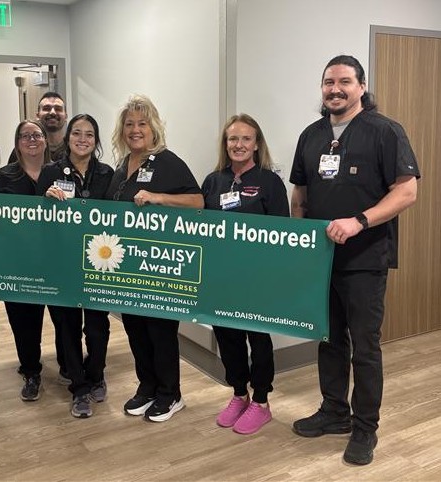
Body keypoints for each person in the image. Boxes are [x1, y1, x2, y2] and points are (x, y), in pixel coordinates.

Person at [289, 55, 420, 465]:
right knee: (329, 341)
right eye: (329, 81)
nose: (335, 89)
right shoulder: (311, 135)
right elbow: (300, 197)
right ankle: (334, 412)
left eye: (345, 81)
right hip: (322, 261)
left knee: (365, 348)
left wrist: (359, 221)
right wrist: (301, 241)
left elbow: (406, 191)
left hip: (365, 260)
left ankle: (365, 428)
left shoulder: (384, 131)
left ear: (361, 86)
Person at [105, 94, 204, 422]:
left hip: (158, 267)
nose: (136, 129)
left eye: (142, 123)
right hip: (127, 266)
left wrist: (159, 197)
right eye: (130, 124)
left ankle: (170, 394)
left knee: (160, 331)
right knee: (135, 329)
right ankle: (147, 387)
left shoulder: (166, 161)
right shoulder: (121, 167)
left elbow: (198, 201)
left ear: (154, 128)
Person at [202, 114, 289, 434]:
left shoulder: (269, 182)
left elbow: (282, 234)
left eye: (246, 139)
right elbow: (200, 227)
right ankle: (239, 393)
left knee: (258, 338)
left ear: (256, 144)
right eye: (232, 139)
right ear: (225, 144)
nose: (238, 145)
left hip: (257, 280)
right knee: (228, 338)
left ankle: (262, 401)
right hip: (222, 278)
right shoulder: (213, 181)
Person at [36, 114, 114, 418]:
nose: (83, 139)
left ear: (96, 141)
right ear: (68, 137)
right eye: (77, 133)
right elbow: (38, 221)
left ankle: (96, 374)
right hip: (61, 263)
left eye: (90, 134)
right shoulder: (50, 173)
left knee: (97, 327)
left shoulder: (108, 174)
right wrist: (45, 200)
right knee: (66, 328)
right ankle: (79, 388)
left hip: (98, 264)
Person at [0, 120, 51, 402]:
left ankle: (68, 365)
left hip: (55, 260)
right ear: (17, 143)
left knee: (64, 319)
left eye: (37, 135)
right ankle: (31, 371)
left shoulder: (59, 173)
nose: (32, 140)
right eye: (25, 136)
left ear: (46, 140)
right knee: (24, 320)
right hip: (19, 264)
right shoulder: (5, 176)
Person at [8, 91, 68, 164]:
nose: (53, 112)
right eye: (47, 108)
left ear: (66, 117)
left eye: (58, 109)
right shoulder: (24, 149)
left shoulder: (73, 149)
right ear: (38, 116)